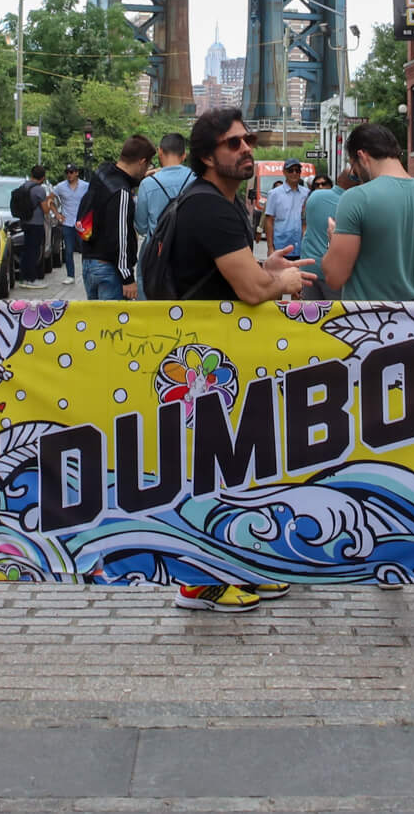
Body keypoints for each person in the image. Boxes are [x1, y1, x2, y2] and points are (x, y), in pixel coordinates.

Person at [150, 107, 309, 614]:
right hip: (201, 366)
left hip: (210, 360)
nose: (246, 150)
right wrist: (276, 282)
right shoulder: (213, 208)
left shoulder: (214, 203)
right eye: (233, 144)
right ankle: (200, 583)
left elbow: (227, 274)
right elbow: (250, 290)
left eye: (247, 141)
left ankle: (235, 565)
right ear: (206, 156)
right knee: (207, 469)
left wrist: (264, 266)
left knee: (231, 468)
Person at [322, 123, 414, 303]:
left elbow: (334, 278)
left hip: (365, 321)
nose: (356, 174)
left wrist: (334, 239)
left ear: (362, 156)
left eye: (353, 168)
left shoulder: (357, 198)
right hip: (413, 321)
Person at [81, 135, 153, 301]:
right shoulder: (121, 193)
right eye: (148, 164)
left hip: (90, 263)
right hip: (109, 269)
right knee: (113, 325)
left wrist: (144, 177)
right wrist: (127, 277)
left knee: (98, 324)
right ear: (142, 162)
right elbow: (120, 238)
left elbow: (120, 180)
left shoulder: (102, 172)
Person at [295, 170, 353, 296]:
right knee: (335, 313)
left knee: (311, 313)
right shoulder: (351, 203)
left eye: (324, 183)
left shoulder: (314, 196)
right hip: (333, 272)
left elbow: (306, 224)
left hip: (308, 267)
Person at [135, 133, 195, 250]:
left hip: (157, 254)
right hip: (188, 251)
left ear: (160, 152)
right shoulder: (197, 179)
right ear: (184, 155)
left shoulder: (147, 184)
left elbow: (141, 227)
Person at [10, 166, 49, 283]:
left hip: (25, 222)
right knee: (34, 251)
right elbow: (45, 209)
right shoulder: (39, 190)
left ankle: (23, 276)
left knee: (26, 250)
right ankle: (31, 278)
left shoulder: (24, 186)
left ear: (31, 175)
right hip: (36, 223)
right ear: (43, 177)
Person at [263, 161, 309, 258]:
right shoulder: (274, 194)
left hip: (302, 249)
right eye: (291, 170)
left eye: (297, 170)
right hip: (280, 247)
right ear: (284, 172)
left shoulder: (306, 193)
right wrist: (270, 248)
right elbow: (269, 220)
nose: (294, 173)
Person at [51, 166, 87, 285]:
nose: (69, 175)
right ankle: (70, 275)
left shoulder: (85, 186)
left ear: (77, 173)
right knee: (68, 250)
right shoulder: (60, 186)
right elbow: (49, 200)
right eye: (67, 172)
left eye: (71, 172)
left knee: (85, 250)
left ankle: (87, 274)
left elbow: (93, 199)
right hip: (67, 222)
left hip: (82, 223)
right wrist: (57, 214)